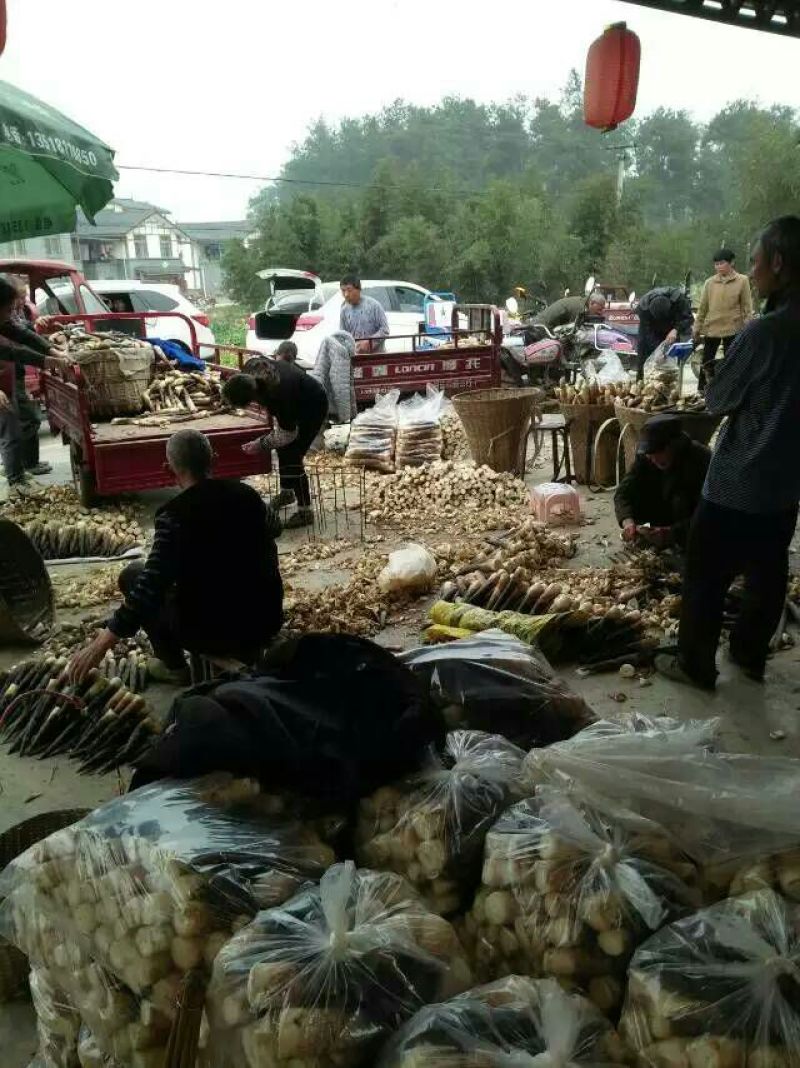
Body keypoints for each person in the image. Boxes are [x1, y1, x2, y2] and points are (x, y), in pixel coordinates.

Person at [656, 215, 800, 691]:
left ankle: (696, 664)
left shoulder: (765, 332)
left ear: (778, 264)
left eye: (756, 262)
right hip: (785, 485)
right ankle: (749, 654)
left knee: (705, 573)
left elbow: (717, 400)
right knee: (767, 571)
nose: (752, 272)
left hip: (739, 480)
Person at [68, 429, 284, 686]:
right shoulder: (247, 495)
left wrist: (102, 643)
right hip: (266, 618)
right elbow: (275, 527)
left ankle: (174, 666)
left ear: (167, 470)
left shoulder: (172, 516)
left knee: (133, 575)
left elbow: (149, 586)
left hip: (213, 632)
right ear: (214, 459)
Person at [223, 364, 328, 529]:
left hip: (313, 404)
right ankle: (287, 493)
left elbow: (287, 434)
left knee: (293, 454)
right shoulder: (252, 368)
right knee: (282, 449)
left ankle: (305, 511)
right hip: (296, 395)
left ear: (251, 398)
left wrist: (261, 444)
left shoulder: (279, 397)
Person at [614, 414, 710, 550]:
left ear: (675, 445)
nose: (653, 458)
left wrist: (674, 534)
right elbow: (623, 493)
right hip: (659, 515)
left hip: (688, 523)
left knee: (681, 501)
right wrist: (628, 522)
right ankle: (652, 536)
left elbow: (709, 515)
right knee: (636, 489)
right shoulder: (647, 457)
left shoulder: (701, 459)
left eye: (658, 451)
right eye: (649, 453)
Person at [0, 277, 57, 497]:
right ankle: (16, 481)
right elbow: (11, 352)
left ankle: (17, 481)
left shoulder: (3, 322)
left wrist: (51, 353)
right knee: (9, 428)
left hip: (7, 382)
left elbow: (19, 337)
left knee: (12, 428)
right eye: (7, 310)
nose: (9, 316)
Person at [693, 249, 754, 391]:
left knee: (732, 361)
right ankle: (702, 390)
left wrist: (749, 328)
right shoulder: (710, 283)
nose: (718, 267)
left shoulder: (742, 281)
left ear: (732, 262)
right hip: (712, 328)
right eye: (716, 264)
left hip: (733, 328)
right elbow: (702, 308)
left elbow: (746, 307)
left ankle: (730, 391)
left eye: (722, 263)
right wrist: (697, 327)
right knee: (706, 361)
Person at [635, 285, 694, 380]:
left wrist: (676, 329)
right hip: (652, 329)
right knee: (643, 351)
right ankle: (641, 382)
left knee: (671, 358)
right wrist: (657, 350)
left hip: (672, 328)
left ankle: (669, 383)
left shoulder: (679, 300)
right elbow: (647, 332)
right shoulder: (643, 309)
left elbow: (689, 319)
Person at [311, 330, 356, 423]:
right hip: (332, 408)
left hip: (320, 399)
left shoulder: (328, 343)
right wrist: (346, 418)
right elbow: (341, 386)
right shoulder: (341, 351)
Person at [339, 274, 389, 353]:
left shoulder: (373, 306)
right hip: (356, 358)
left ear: (358, 289)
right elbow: (342, 335)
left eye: (349, 290)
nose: (346, 294)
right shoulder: (344, 310)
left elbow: (385, 330)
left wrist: (369, 342)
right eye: (343, 291)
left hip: (376, 356)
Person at [535, 290, 606, 330]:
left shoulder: (581, 302)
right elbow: (572, 332)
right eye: (599, 309)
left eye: (603, 309)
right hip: (541, 328)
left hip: (543, 325)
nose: (601, 313)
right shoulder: (579, 309)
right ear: (592, 303)